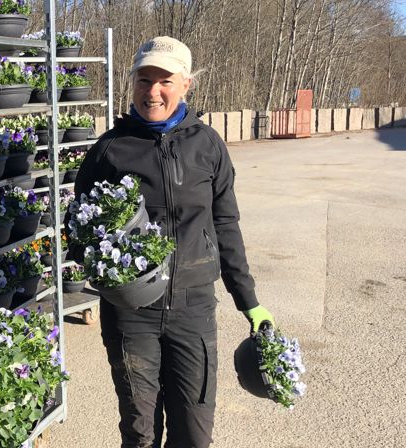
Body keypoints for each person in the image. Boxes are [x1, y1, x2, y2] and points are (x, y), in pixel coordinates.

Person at [73, 36, 276, 448]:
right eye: (144, 80)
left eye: (164, 80)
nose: (153, 92)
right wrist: (107, 267)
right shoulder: (109, 151)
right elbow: (79, 231)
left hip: (193, 308)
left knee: (194, 431)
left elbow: (226, 224)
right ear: (131, 84)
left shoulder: (207, 146)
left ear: (186, 85)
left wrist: (249, 301)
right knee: (140, 432)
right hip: (132, 315)